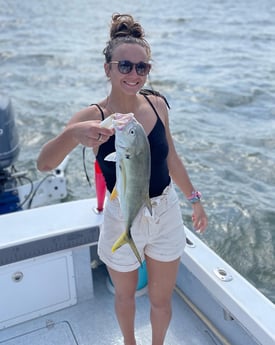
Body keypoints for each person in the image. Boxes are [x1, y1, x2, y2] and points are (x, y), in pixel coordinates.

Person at [37, 13, 208, 345]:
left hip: (165, 211)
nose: (134, 74)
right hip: (122, 215)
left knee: (161, 299)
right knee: (125, 296)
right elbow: (45, 164)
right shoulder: (93, 117)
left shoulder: (158, 105)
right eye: (125, 66)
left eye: (141, 67)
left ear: (148, 70)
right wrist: (73, 134)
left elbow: (171, 156)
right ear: (108, 68)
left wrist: (195, 199)